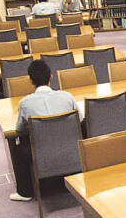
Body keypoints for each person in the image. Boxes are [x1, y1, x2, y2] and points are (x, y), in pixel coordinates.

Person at [10, 59, 78, 202]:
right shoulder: (67, 96)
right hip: (70, 149)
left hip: (41, 152)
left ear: (30, 81)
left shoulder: (25, 102)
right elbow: (81, 119)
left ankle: (25, 192)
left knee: (17, 149)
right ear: (51, 77)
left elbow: (19, 129)